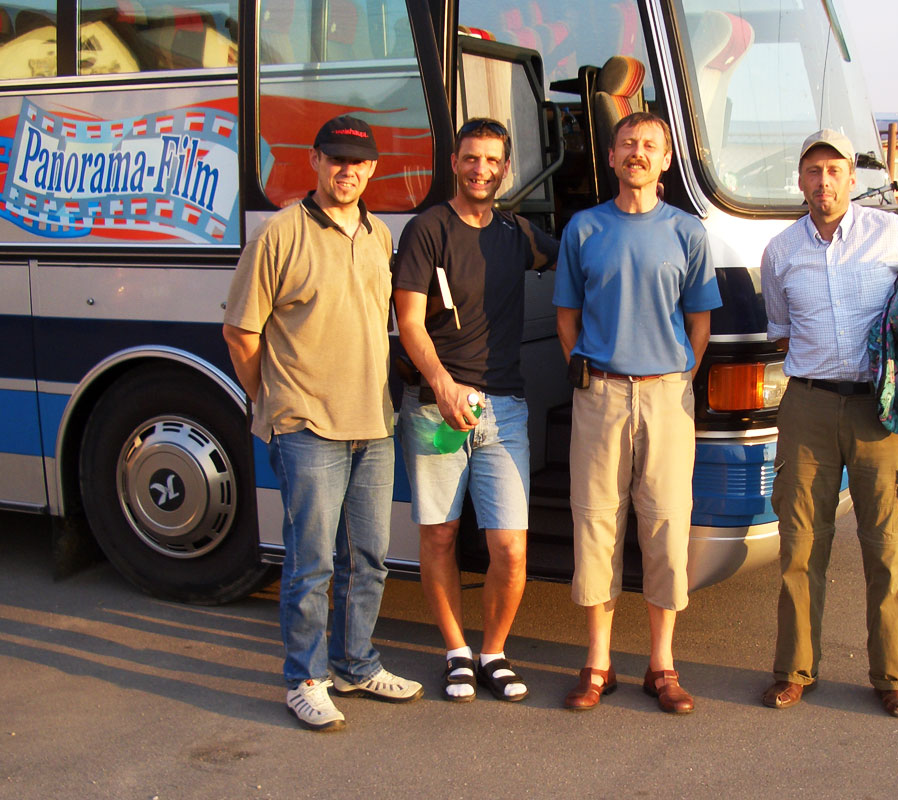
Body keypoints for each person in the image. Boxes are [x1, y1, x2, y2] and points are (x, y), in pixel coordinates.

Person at [223, 115, 423, 732]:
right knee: (310, 563)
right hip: (306, 424)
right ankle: (305, 679)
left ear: (372, 170)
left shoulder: (379, 235)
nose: (348, 172)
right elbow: (240, 331)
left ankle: (356, 664)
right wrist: (273, 404)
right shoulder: (279, 234)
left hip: (373, 422)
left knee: (369, 557)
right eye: (336, 160)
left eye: (359, 163)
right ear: (313, 162)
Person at [759, 128, 898, 719]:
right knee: (800, 546)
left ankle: (894, 675)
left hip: (881, 409)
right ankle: (794, 671)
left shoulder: (892, 233)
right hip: (809, 406)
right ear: (801, 181)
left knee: (888, 544)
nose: (824, 182)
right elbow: (780, 326)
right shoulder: (780, 251)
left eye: (834, 170)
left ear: (852, 178)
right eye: (813, 171)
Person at [553, 111, 721, 714]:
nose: (638, 152)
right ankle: (598, 664)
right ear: (612, 155)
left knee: (666, 526)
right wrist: (579, 363)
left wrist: (681, 375)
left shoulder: (687, 232)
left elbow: (700, 322)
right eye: (628, 143)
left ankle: (662, 666)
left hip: (667, 397)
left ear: (666, 159)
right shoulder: (584, 230)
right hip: (599, 395)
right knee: (596, 523)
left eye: (650, 144)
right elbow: (565, 314)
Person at [392, 118, 558, 703]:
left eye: (491, 160)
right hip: (437, 411)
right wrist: (440, 384)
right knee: (439, 536)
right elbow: (408, 321)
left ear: (505, 168)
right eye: (470, 158)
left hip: (504, 411)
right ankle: (456, 652)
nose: (480, 169)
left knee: (510, 546)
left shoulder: (518, 234)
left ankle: (494, 652)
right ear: (455, 163)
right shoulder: (427, 230)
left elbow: (581, 261)